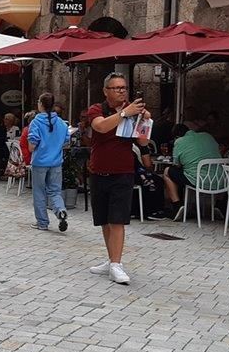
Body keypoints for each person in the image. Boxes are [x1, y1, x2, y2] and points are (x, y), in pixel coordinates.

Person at [84, 74, 145, 284]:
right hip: (99, 172)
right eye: (116, 88)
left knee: (117, 219)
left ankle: (117, 264)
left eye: (124, 87)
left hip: (123, 172)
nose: (121, 91)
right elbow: (100, 126)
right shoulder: (96, 109)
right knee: (104, 220)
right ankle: (111, 260)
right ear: (106, 91)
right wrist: (125, 113)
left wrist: (143, 121)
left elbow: (143, 141)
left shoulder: (134, 110)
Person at [162, 113, 221, 218]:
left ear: (176, 137)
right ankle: (219, 206)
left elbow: (176, 164)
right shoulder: (208, 136)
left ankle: (177, 206)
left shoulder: (179, 141)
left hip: (198, 180)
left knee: (167, 172)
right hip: (219, 179)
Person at [26, 92, 70, 232]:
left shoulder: (36, 122)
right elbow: (66, 143)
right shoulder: (62, 123)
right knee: (55, 191)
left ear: (41, 104)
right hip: (56, 162)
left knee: (39, 192)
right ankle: (60, 210)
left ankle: (42, 222)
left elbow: (32, 146)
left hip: (40, 162)